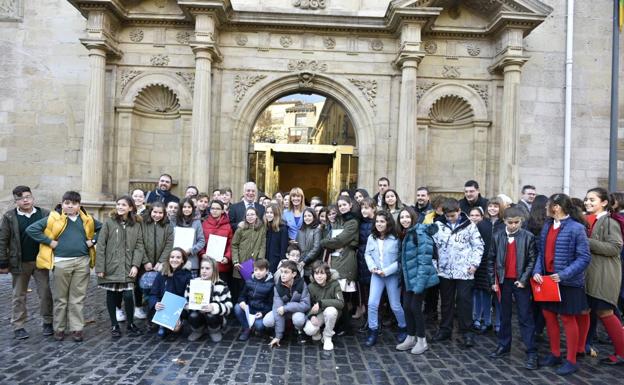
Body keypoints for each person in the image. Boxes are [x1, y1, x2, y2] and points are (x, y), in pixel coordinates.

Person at [26, 191, 101, 342]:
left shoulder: (86, 219)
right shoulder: (54, 218)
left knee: (77, 298)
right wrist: (49, 241)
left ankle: (77, 328)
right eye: (67, 203)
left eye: (73, 204)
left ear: (79, 205)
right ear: (62, 203)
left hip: (82, 262)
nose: (70, 206)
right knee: (61, 298)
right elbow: (31, 229)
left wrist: (93, 241)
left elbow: (103, 229)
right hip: (61, 262)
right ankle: (59, 328)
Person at [532, 193, 591, 376]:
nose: (545, 208)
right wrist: (536, 271)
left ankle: (571, 360)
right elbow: (542, 253)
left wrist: (564, 275)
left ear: (556, 207)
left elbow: (584, 258)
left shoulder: (576, 228)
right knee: (549, 316)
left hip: (568, 282)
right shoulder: (547, 226)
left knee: (567, 319)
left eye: (548, 205)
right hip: (548, 280)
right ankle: (555, 354)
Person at [487, 206, 538, 370]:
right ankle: (503, 345)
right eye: (511, 222)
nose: (514, 225)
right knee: (504, 316)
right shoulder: (497, 237)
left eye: (517, 222)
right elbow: (491, 260)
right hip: (503, 282)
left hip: (520, 282)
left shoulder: (528, 237)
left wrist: (523, 280)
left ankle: (531, 351)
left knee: (525, 317)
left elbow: (532, 260)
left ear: (521, 221)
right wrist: (493, 281)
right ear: (504, 222)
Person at [0, 186, 52, 339]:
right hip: (20, 262)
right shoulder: (10, 217)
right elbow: (2, 240)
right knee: (19, 295)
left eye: (28, 197)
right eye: (21, 198)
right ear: (16, 201)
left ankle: (48, 322)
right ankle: (18, 325)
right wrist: (2, 261)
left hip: (40, 261)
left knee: (45, 293)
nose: (25, 200)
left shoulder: (44, 214)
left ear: (32, 198)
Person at [431, 198, 484, 348]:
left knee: (464, 300)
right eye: (447, 216)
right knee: (446, 301)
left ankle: (466, 331)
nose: (450, 219)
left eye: (453, 216)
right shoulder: (438, 225)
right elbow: (433, 247)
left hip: (464, 270)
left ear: (459, 212)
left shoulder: (470, 226)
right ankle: (445, 329)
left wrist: (474, 264)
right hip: (445, 270)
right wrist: (435, 265)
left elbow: (478, 246)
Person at [583, 187, 624, 365]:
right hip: (592, 275)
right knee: (589, 312)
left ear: (604, 203)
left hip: (605, 274)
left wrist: (587, 241)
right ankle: (581, 347)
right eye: (586, 199)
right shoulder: (590, 220)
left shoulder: (609, 221)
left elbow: (615, 247)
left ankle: (622, 352)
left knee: (605, 312)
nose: (587, 202)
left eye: (592, 200)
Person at [95, 196, 145, 338]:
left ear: (130, 208)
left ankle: (130, 324)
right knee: (111, 294)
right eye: (118, 204)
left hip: (128, 265)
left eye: (124, 205)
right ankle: (114, 325)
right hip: (111, 265)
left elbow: (139, 246)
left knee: (128, 295)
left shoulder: (136, 224)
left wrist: (135, 265)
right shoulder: (109, 222)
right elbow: (101, 245)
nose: (120, 207)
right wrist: (100, 267)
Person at [364, 210, 407, 346]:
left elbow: (400, 259)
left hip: (391, 275)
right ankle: (373, 330)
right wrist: (372, 267)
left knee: (395, 305)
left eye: (382, 221)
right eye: (377, 221)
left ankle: (403, 326)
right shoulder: (372, 237)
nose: (379, 224)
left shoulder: (396, 238)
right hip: (376, 275)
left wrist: (387, 271)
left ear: (388, 223)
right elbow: (367, 254)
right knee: (372, 303)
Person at [396, 217, 438, 355]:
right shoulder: (405, 233)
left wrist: (419, 285)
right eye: (401, 217)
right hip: (410, 278)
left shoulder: (420, 233)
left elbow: (425, 261)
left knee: (415, 307)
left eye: (407, 217)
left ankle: (422, 341)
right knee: (407, 306)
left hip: (421, 278)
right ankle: (410, 337)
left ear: (413, 218)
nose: (404, 220)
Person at [320, 196, 359, 335]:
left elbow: (339, 240)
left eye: (344, 205)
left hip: (345, 262)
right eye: (340, 205)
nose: (342, 207)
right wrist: (333, 241)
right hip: (334, 262)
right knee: (337, 296)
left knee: (342, 297)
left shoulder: (352, 222)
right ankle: (340, 325)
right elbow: (335, 239)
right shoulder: (338, 221)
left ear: (350, 205)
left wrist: (324, 242)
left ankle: (345, 327)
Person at [137, 202, 173, 319]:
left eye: (160, 213)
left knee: (159, 290)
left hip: (161, 264)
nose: (157, 215)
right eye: (155, 212)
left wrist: (161, 261)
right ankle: (148, 313)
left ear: (164, 214)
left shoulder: (168, 225)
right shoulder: (143, 224)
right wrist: (145, 261)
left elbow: (169, 244)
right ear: (150, 212)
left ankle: (159, 315)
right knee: (145, 289)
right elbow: (139, 242)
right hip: (145, 264)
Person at [148, 247, 193, 337]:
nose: (174, 260)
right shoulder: (161, 274)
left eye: (178, 257)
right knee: (164, 332)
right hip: (163, 306)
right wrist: (155, 303)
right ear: (169, 259)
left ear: (183, 260)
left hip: (179, 308)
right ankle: (162, 325)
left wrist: (181, 309)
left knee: (176, 329)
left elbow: (189, 295)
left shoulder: (187, 275)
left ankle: (180, 321)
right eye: (172, 257)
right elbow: (153, 294)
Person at [265, 260, 311, 347]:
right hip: (283, 312)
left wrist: (286, 308)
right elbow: (277, 309)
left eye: (286, 272)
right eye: (281, 272)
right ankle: (278, 330)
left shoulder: (302, 284)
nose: (282, 274)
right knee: (267, 320)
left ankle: (299, 331)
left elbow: (306, 305)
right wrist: (278, 336)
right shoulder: (278, 287)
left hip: (296, 311)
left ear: (293, 274)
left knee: (299, 319)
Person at [185, 258, 232, 342]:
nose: (204, 271)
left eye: (207, 268)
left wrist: (214, 307)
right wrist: (191, 306)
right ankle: (198, 330)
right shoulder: (193, 283)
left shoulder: (221, 285)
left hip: (215, 317)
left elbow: (228, 307)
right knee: (193, 316)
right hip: (198, 314)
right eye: (202, 268)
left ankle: (214, 330)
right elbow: (186, 301)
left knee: (211, 315)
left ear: (214, 270)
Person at [303, 261, 344, 351]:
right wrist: (312, 316)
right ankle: (317, 331)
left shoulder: (334, 284)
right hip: (319, 313)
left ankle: (327, 336)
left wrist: (322, 302)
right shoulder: (311, 287)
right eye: (316, 273)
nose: (319, 276)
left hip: (332, 313)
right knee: (309, 330)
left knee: (330, 311)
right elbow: (307, 305)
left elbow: (341, 303)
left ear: (327, 274)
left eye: (322, 273)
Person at [469, 207, 497, 334]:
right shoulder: (469, 227)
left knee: (485, 292)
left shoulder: (484, 226)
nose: (474, 217)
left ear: (481, 216)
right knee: (475, 292)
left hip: (485, 262)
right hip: (472, 264)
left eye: (477, 215)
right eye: (471, 215)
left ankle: (486, 320)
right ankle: (476, 318)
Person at [231, 207, 266, 302]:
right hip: (241, 264)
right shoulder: (241, 229)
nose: (250, 217)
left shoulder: (261, 228)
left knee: (252, 288)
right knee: (241, 288)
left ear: (257, 216)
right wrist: (235, 261)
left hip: (255, 264)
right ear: (245, 217)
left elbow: (263, 245)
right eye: (248, 215)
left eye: (252, 214)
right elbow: (234, 245)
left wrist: (260, 261)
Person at [234, 258, 274, 341]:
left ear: (267, 271)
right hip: (250, 309)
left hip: (260, 311)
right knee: (237, 307)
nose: (258, 272)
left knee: (259, 326)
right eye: (256, 270)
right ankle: (247, 328)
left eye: (261, 270)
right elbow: (242, 296)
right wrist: (242, 302)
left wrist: (263, 313)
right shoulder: (249, 281)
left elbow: (271, 304)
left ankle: (259, 328)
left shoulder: (271, 285)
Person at [201, 199, 234, 291]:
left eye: (217, 209)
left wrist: (227, 257)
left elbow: (231, 244)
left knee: (221, 291)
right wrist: (202, 254)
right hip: (207, 264)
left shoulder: (228, 226)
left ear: (223, 211)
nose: (214, 210)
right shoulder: (204, 224)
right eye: (212, 208)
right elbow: (200, 241)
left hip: (222, 266)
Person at [171, 198, 206, 277]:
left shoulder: (196, 222)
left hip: (191, 261)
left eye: (189, 207)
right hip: (174, 262)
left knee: (190, 288)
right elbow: (169, 239)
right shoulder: (173, 221)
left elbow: (201, 241)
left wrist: (191, 250)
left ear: (192, 208)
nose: (187, 209)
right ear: (180, 208)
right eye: (184, 207)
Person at [355, 197, 376, 322]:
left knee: (373, 293)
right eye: (362, 207)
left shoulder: (376, 222)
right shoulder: (361, 222)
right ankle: (367, 320)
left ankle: (373, 321)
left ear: (373, 208)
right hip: (361, 258)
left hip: (372, 259)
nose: (363, 210)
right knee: (364, 291)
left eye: (366, 208)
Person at [296, 207, 322, 280]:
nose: (307, 218)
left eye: (309, 216)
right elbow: (297, 246)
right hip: (300, 264)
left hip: (312, 264)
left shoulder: (317, 230)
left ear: (314, 217)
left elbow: (316, 248)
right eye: (305, 216)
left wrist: (305, 261)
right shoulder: (300, 231)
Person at [264, 203, 289, 273]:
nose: (268, 214)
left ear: (276, 214)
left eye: (271, 213)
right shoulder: (266, 227)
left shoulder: (282, 228)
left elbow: (283, 249)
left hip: (276, 263)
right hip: (265, 262)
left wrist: (281, 265)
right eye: (267, 212)